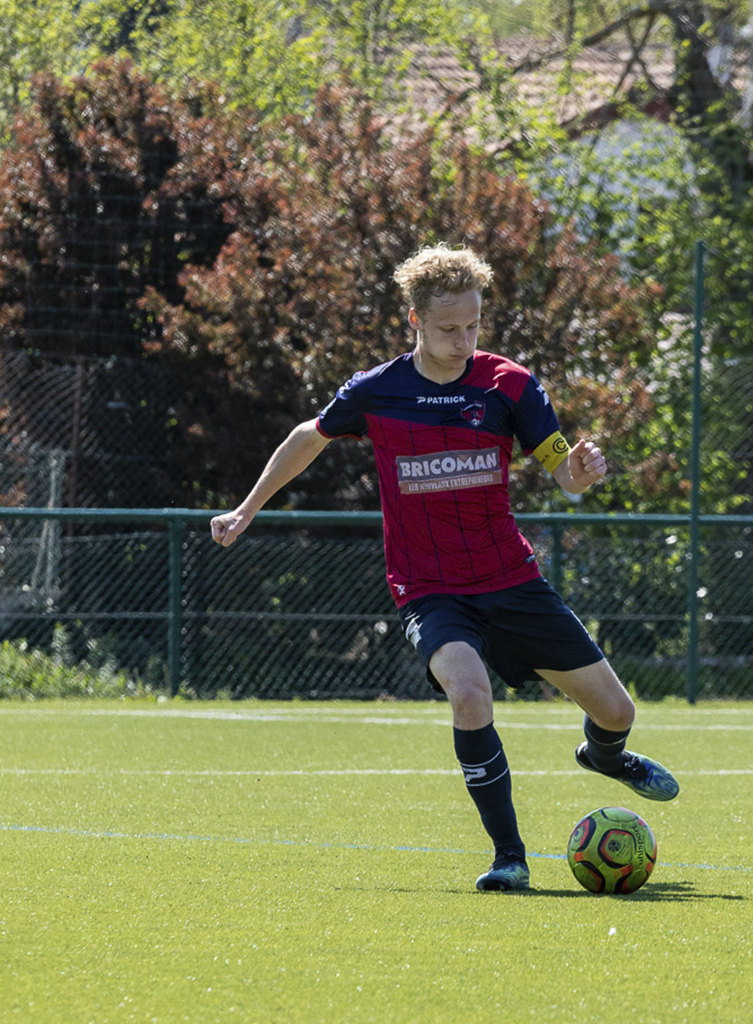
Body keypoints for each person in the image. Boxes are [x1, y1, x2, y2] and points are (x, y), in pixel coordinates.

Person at [210, 245, 678, 892]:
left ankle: (605, 757)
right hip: (430, 590)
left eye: (474, 325)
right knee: (469, 692)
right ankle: (509, 857)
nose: (464, 341)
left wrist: (582, 471)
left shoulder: (510, 384)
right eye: (449, 328)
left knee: (618, 712)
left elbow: (564, 474)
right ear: (416, 321)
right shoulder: (377, 391)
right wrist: (246, 509)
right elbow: (308, 436)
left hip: (512, 579)